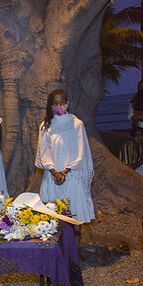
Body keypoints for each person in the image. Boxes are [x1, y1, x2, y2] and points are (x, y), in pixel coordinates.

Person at [31, 89, 95, 222]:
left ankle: (74, 243)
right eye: (55, 104)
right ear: (50, 105)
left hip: (71, 175)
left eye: (62, 103)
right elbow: (43, 151)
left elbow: (81, 151)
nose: (59, 107)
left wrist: (65, 172)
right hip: (52, 175)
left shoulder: (77, 124)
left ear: (68, 103)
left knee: (75, 216)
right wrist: (54, 172)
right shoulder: (45, 126)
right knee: (52, 216)